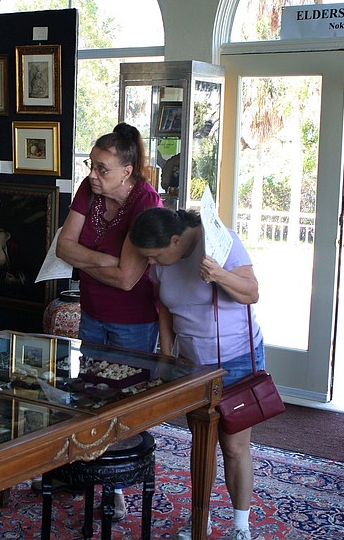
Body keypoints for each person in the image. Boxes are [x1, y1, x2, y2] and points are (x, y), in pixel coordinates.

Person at [129, 207, 263, 540]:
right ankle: (201, 517)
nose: (151, 263)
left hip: (235, 358)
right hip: (192, 366)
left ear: (176, 241)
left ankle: (241, 526)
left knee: (233, 445)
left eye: (156, 256)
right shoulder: (163, 262)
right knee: (202, 442)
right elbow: (165, 307)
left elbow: (252, 292)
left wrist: (220, 275)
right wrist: (166, 356)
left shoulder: (220, 241)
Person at [52, 122, 162, 520]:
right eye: (91, 165)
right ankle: (84, 470)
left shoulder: (146, 202)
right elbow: (63, 247)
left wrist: (86, 260)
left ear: (127, 171)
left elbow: (129, 279)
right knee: (90, 394)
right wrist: (105, 261)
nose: (93, 174)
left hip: (133, 319)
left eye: (102, 169)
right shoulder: (89, 189)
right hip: (94, 311)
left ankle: (115, 489)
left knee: (124, 401)